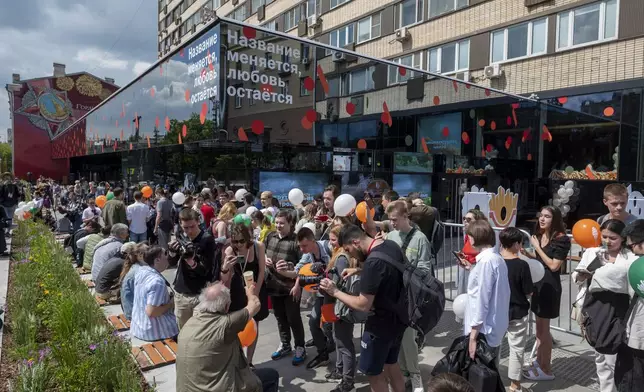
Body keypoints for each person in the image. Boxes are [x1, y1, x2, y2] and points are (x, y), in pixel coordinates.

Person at [320, 224, 407, 392]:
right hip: (398, 319)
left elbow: (363, 304)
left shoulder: (373, 262)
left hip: (379, 326)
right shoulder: (390, 246)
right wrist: (359, 271)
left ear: (356, 242)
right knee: (391, 364)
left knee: (373, 373)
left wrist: (335, 291)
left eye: (348, 249)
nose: (350, 254)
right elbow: (386, 272)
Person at [175, 282, 280, 392]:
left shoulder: (189, 323)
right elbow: (255, 304)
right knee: (270, 376)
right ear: (226, 306)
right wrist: (249, 292)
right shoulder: (225, 325)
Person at [573, 219, 634, 392]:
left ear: (622, 238)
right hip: (595, 309)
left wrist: (604, 275)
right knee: (600, 356)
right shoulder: (593, 253)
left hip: (619, 310)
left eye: (612, 238)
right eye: (604, 236)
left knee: (614, 358)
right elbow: (576, 276)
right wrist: (582, 276)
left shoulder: (630, 258)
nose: (607, 241)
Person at [382, 200, 431, 391]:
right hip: (392, 297)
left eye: (394, 219)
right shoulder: (391, 236)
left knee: (409, 340)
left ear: (405, 216)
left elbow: (425, 269)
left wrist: (407, 273)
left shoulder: (420, 239)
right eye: (390, 220)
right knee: (395, 339)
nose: (392, 223)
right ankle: (402, 374)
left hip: (410, 298)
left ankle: (416, 375)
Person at [521, 206, 570, 381]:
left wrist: (536, 247)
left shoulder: (561, 239)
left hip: (550, 286)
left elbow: (554, 265)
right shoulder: (541, 235)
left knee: (545, 330)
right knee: (539, 329)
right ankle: (539, 362)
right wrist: (528, 253)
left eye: (547, 216)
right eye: (540, 215)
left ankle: (546, 369)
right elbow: (541, 259)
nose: (542, 219)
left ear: (554, 219)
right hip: (538, 285)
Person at [169, 208, 228, 329]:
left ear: (198, 222)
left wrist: (192, 262)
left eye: (192, 226)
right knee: (183, 331)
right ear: (180, 224)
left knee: (200, 331)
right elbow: (171, 262)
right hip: (182, 293)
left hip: (199, 294)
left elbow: (206, 270)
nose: (189, 231)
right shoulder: (180, 236)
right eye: (186, 227)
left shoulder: (206, 239)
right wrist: (172, 252)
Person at [463, 220, 510, 365]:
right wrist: (472, 269)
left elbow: (482, 299)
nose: (468, 239)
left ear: (475, 237)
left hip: (485, 329)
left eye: (470, 236)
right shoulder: (496, 259)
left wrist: (473, 334)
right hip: (493, 325)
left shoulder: (486, 262)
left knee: (482, 374)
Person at [263, 210, 306, 365]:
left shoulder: (296, 242)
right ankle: (285, 344)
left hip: (290, 287)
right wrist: (266, 259)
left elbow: (303, 267)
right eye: (277, 222)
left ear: (291, 224)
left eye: (282, 223)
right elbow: (264, 253)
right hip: (273, 285)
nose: (278, 226)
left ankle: (300, 347)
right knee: (280, 317)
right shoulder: (270, 237)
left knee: (294, 318)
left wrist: (297, 286)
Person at [223, 223, 269, 368]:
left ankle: (249, 362)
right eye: (235, 241)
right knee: (238, 326)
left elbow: (262, 271)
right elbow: (226, 277)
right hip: (238, 291)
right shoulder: (230, 250)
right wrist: (226, 266)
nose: (239, 244)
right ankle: (238, 360)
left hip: (256, 288)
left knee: (254, 325)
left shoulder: (258, 246)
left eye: (241, 241)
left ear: (247, 238)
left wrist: (255, 292)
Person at [292, 227, 334, 369]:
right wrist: (297, 283)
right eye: (300, 246)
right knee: (314, 321)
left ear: (313, 241)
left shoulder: (328, 247)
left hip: (336, 293)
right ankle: (323, 352)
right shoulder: (308, 254)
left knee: (329, 325)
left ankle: (330, 344)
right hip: (321, 294)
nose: (302, 249)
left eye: (304, 246)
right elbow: (299, 269)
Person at [499, 227, 534, 392]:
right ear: (516, 244)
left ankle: (492, 378)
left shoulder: (495, 261)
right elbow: (528, 291)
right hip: (517, 311)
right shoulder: (522, 265)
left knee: (494, 347)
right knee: (517, 349)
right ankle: (515, 385)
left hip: (498, 311)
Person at [324, 224, 358, 392]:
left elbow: (340, 283)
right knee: (340, 340)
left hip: (342, 305)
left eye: (333, 240)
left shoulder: (341, 257)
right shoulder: (339, 254)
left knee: (344, 343)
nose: (330, 243)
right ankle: (340, 370)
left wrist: (326, 283)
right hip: (340, 304)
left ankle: (348, 380)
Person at [616, 219, 644, 391]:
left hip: (639, 335)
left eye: (632, 245)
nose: (631, 249)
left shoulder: (635, 265)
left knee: (635, 379)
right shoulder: (636, 264)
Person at [131, 246, 178, 342]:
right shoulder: (157, 282)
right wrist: (171, 303)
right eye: (165, 254)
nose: (168, 257)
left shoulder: (141, 271)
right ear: (157, 260)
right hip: (152, 332)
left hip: (138, 327)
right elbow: (152, 312)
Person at [455, 209, 488, 297]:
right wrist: (462, 256)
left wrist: (471, 264)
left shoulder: (482, 237)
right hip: (466, 269)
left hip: (476, 271)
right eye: (464, 218)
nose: (465, 221)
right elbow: (468, 251)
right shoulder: (468, 235)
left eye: (469, 220)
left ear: (478, 222)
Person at [120, 243, 149, 320]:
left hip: (131, 311)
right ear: (140, 255)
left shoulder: (135, 266)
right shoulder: (139, 272)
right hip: (134, 315)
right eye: (148, 252)